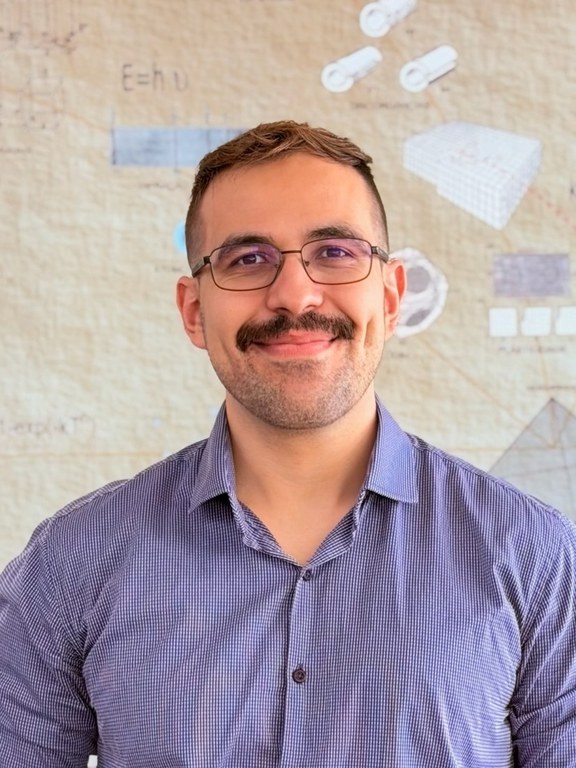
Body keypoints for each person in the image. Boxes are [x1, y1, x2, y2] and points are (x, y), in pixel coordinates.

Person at [0, 120, 575, 768]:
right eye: (248, 259)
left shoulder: (536, 557)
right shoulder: (70, 564)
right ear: (194, 311)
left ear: (390, 298)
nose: (295, 294)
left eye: (334, 252)